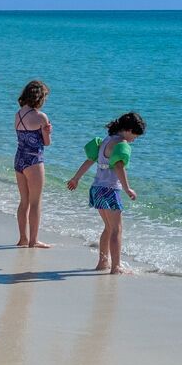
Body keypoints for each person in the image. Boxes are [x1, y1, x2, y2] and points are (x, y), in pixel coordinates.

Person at [67, 112, 145, 275]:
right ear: (129, 129)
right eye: (135, 135)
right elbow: (118, 167)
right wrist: (127, 188)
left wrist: (76, 178)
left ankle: (103, 262)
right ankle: (116, 267)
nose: (135, 139)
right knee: (116, 229)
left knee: (108, 228)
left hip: (97, 188)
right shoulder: (121, 144)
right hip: (110, 189)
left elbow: (90, 160)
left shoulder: (105, 140)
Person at [11, 80, 54, 249]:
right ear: (40, 97)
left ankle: (23, 238)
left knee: (24, 201)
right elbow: (47, 142)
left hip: (19, 158)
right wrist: (47, 132)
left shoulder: (18, 114)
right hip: (34, 160)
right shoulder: (40, 116)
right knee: (35, 202)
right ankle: (34, 240)